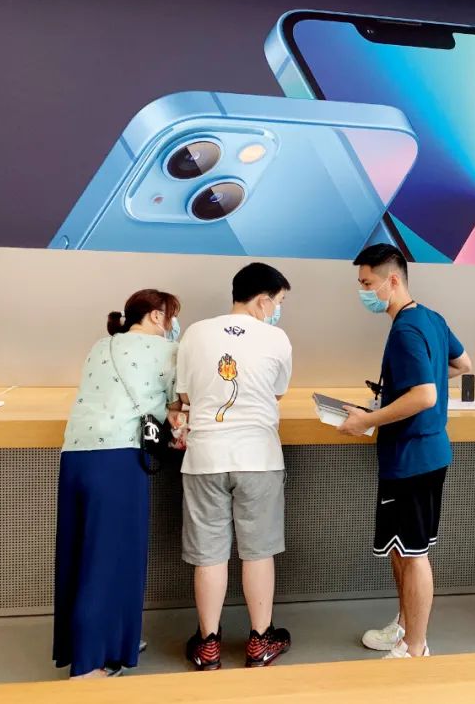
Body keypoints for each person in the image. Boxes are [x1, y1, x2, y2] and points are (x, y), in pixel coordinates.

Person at [341, 244, 471, 659]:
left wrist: (368, 419)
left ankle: (415, 647)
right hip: (426, 454)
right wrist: (409, 388)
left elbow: (425, 395)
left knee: (413, 555)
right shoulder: (432, 318)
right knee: (401, 548)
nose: (363, 292)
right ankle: (403, 626)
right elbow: (463, 364)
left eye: (367, 283)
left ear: (392, 280)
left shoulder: (405, 331)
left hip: (413, 457)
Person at [53, 290, 182, 678]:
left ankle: (106, 640)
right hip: (118, 459)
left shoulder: (101, 345)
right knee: (111, 559)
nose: (173, 324)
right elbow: (177, 404)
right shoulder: (167, 351)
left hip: (75, 456)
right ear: (157, 316)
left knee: (79, 555)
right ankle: (90, 664)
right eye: (172, 316)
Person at [178, 263, 293, 670]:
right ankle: (260, 642)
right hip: (258, 458)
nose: (277, 310)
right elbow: (276, 395)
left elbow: (185, 396)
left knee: (209, 554)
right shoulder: (277, 338)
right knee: (257, 552)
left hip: (205, 457)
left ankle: (208, 644)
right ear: (262, 300)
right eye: (278, 302)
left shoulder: (194, 333)